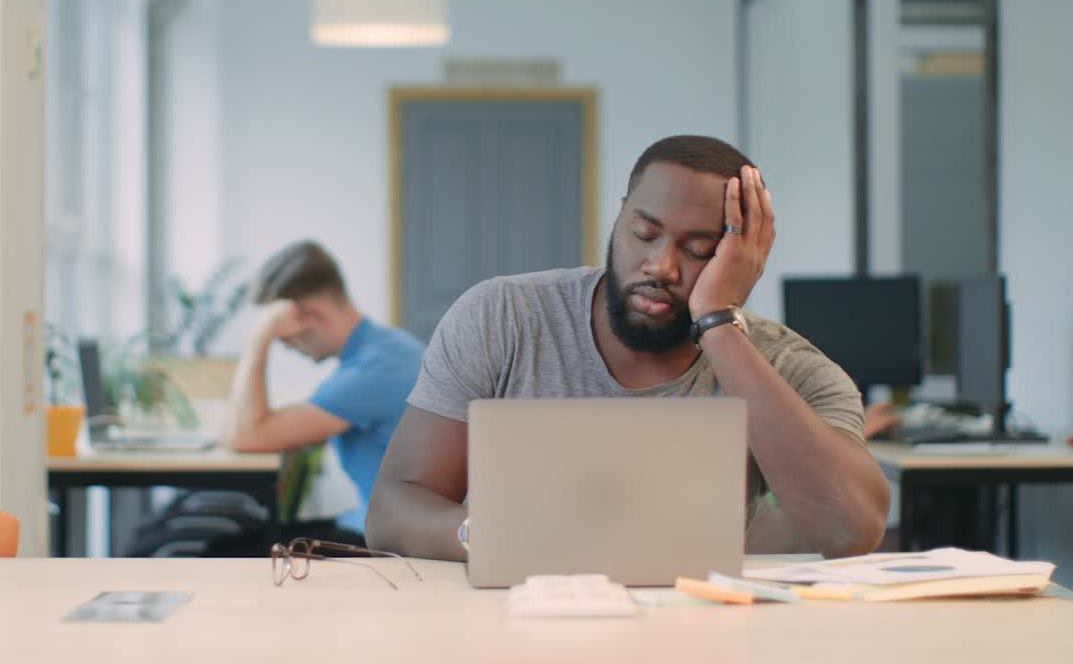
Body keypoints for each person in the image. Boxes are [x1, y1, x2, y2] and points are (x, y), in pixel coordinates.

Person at [366, 135, 891, 561]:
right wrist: (492, 536)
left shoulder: (787, 368)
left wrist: (717, 322)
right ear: (619, 220)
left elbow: (849, 531)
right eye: (644, 233)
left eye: (698, 250)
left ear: (744, 256)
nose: (660, 266)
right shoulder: (503, 316)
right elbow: (392, 508)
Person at [228, 241, 424, 540]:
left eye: (285, 337)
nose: (288, 347)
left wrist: (259, 338)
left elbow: (246, 435)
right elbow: (241, 428)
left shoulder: (372, 371)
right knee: (237, 541)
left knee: (223, 551)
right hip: (382, 526)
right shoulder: (386, 349)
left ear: (312, 314)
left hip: (385, 542)